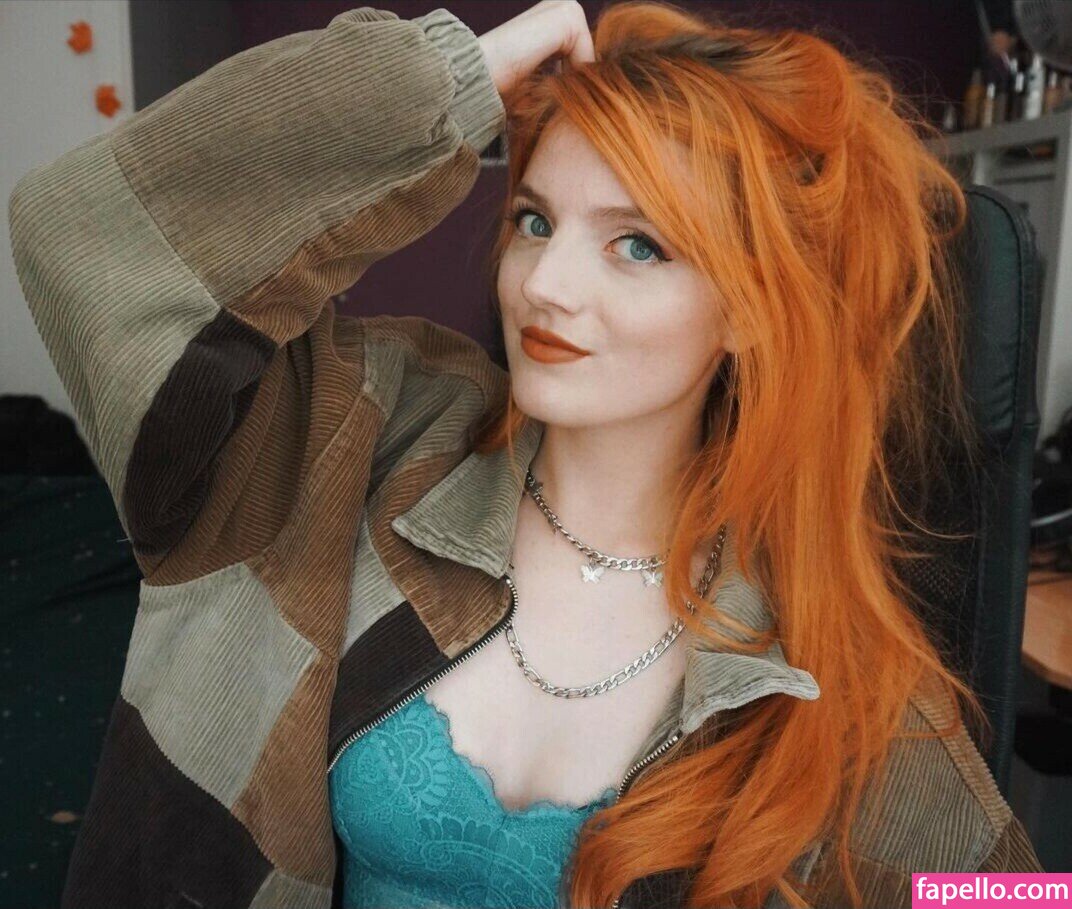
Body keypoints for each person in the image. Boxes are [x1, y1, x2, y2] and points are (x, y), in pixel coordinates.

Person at [7, 2, 1045, 908]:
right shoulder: (356, 440)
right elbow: (82, 240)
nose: (544, 285)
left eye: (637, 244)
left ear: (751, 311)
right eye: (537, 221)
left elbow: (1005, 892)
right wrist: (447, 85)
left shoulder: (819, 665)